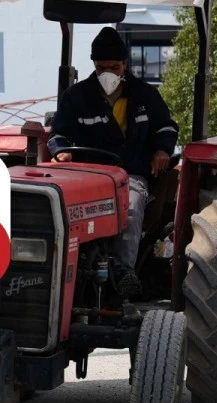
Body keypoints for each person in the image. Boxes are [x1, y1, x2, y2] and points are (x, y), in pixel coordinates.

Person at [47, 27, 179, 298]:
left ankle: (123, 272)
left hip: (130, 175)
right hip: (87, 177)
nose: (107, 73)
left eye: (114, 67)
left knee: (130, 205)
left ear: (125, 64)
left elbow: (166, 127)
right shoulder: (77, 97)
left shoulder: (144, 95)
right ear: (94, 65)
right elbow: (58, 134)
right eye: (101, 67)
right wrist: (61, 151)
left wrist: (162, 150)